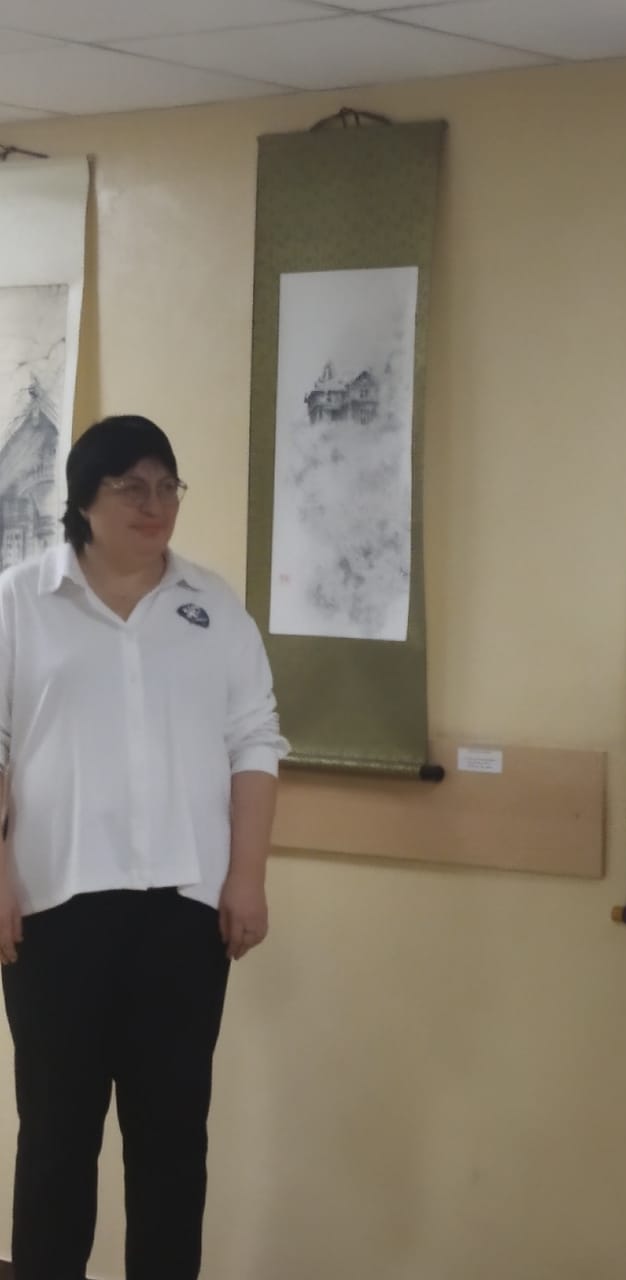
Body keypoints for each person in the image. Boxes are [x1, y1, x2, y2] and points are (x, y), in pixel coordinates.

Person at [0, 415, 289, 1280]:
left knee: (171, 1143)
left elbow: (255, 740)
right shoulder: (18, 602)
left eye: (167, 486)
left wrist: (248, 876)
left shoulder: (214, 606)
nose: (154, 504)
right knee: (57, 1141)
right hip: (53, 912)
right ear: (83, 500)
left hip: (184, 914)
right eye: (131, 487)